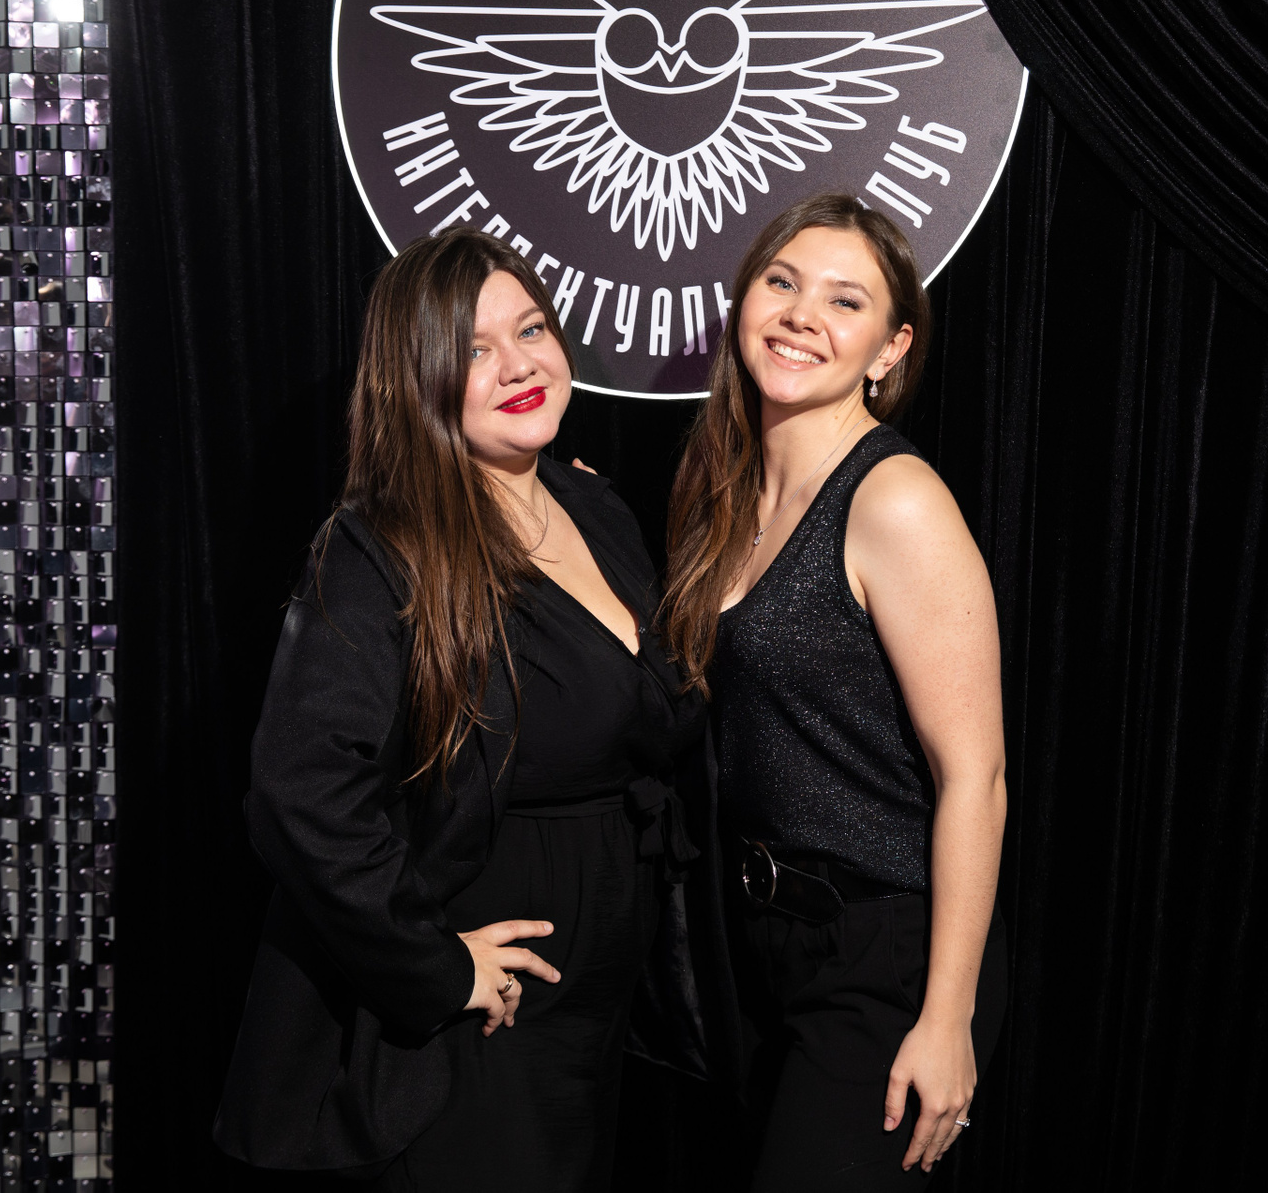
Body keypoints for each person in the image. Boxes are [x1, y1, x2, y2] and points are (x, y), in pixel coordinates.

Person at [212, 227, 706, 1190]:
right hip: (473, 1029)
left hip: (595, 1014)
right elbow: (299, 792)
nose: (518, 365)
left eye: (531, 330)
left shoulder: (593, 506)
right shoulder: (379, 546)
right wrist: (436, 967)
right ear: (418, 378)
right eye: (474, 350)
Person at [661, 193, 1009, 1189]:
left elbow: (976, 776)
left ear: (889, 349)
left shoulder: (893, 498)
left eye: (844, 301)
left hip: (882, 954)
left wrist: (947, 1014)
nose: (801, 314)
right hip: (757, 946)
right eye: (782, 282)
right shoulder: (724, 491)